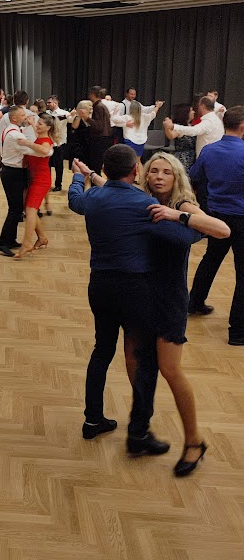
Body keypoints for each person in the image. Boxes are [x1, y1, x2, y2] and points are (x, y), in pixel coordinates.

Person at [68, 144, 202, 456]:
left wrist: (79, 177)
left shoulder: (94, 197)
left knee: (102, 351)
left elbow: (76, 200)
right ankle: (139, 433)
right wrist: (190, 222)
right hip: (134, 291)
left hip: (99, 286)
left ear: (105, 170)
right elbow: (187, 236)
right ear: (137, 170)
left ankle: (92, 420)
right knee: (143, 362)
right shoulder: (145, 204)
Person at [139, 152, 229, 475]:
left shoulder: (183, 206)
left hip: (170, 299)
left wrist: (177, 216)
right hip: (140, 297)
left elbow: (222, 229)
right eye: (154, 171)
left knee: (170, 370)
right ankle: (140, 430)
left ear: (176, 177)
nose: (159, 177)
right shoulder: (139, 201)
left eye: (166, 172)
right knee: (139, 367)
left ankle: (194, 440)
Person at [187, 106, 244, 342]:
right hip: (241, 218)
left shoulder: (209, 150)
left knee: (211, 260)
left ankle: (194, 303)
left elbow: (194, 177)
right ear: (242, 127)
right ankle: (238, 331)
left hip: (216, 216)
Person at [0, 106, 46, 257]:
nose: (26, 117)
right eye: (23, 115)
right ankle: (2, 242)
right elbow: (34, 150)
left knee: (17, 208)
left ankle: (10, 239)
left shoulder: (12, 130)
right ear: (14, 118)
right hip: (13, 173)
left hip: (14, 172)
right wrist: (47, 150)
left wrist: (31, 125)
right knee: (15, 209)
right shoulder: (15, 135)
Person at [14, 114, 54, 258]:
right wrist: (32, 124)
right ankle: (42, 238)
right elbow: (38, 138)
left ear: (48, 127)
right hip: (35, 178)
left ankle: (27, 243)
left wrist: (27, 143)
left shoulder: (46, 141)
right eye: (37, 123)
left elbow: (44, 150)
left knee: (31, 210)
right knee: (29, 208)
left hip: (41, 180)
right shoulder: (41, 137)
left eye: (40, 124)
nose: (37, 125)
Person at [46, 95, 70, 191]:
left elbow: (71, 120)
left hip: (59, 143)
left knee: (59, 165)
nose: (47, 104)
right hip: (48, 142)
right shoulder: (47, 113)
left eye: (49, 102)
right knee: (47, 165)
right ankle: (47, 183)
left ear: (55, 103)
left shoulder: (64, 113)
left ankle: (58, 184)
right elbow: (53, 119)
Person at [87, 86, 113, 174]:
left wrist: (87, 118)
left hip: (100, 140)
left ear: (92, 94)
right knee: (97, 166)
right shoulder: (102, 106)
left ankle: (95, 182)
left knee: (95, 166)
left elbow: (99, 126)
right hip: (105, 138)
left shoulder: (98, 107)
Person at [164, 104, 196, 172]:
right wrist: (167, 128)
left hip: (193, 155)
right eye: (191, 110)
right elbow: (171, 136)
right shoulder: (179, 127)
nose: (194, 112)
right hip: (183, 157)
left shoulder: (192, 126)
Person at [67, 100, 92, 170]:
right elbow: (74, 127)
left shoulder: (92, 117)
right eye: (89, 106)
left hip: (89, 144)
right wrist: (80, 116)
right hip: (78, 144)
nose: (91, 108)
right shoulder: (77, 117)